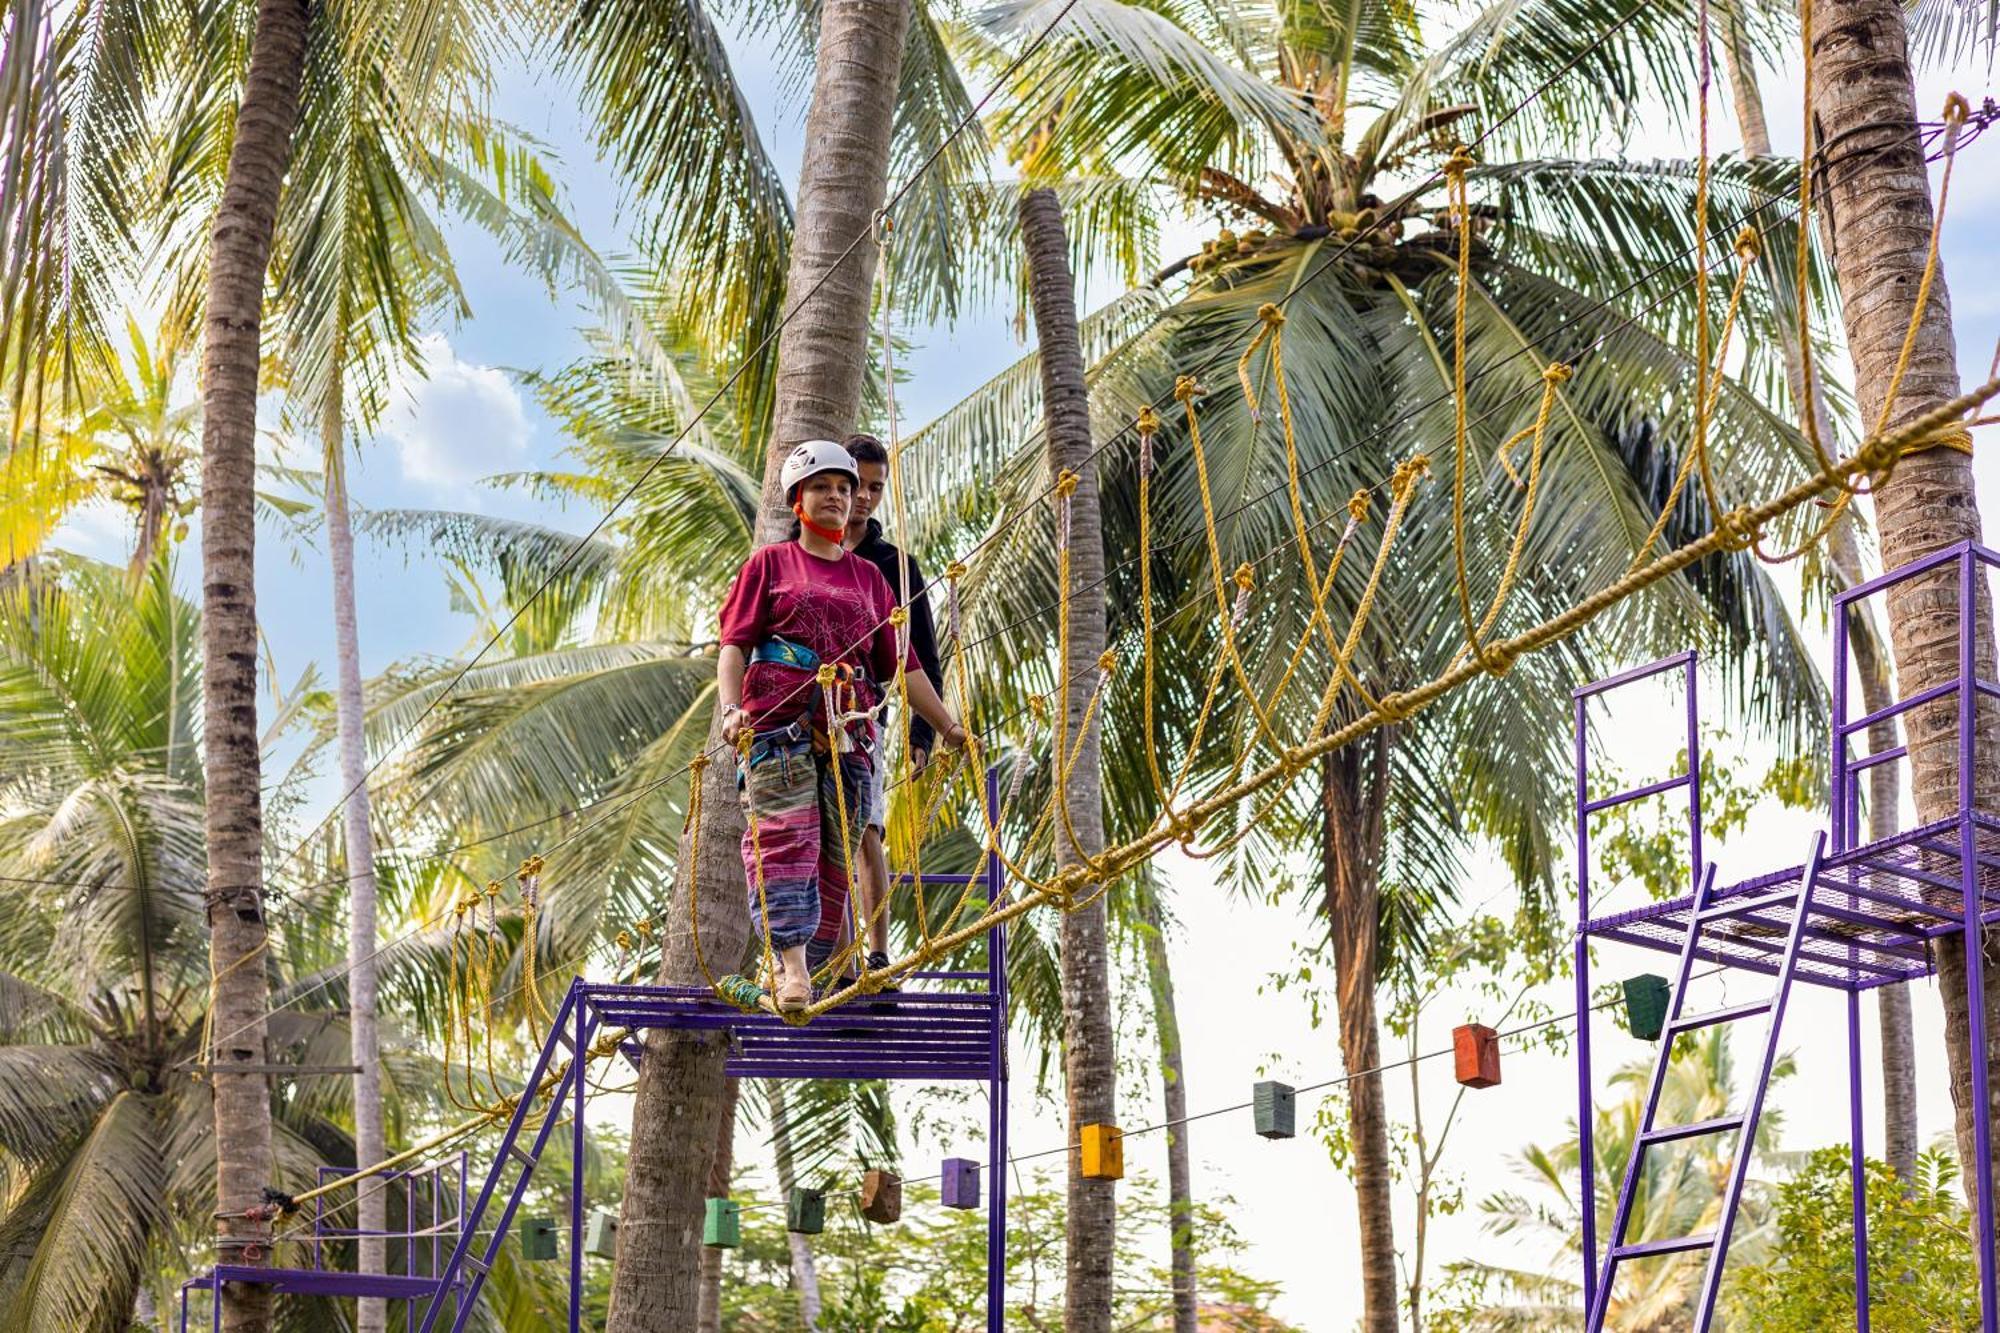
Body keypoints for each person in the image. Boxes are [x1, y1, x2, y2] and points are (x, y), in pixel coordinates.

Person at [716, 440, 967, 1012]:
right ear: (797, 500)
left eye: (844, 489)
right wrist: (733, 710)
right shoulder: (769, 565)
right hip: (776, 729)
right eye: (822, 487)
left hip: (848, 734)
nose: (836, 497)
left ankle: (825, 961)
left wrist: (945, 728)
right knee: (782, 840)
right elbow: (734, 647)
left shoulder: (872, 580)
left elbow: (904, 666)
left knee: (836, 852)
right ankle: (794, 971)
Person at [840, 433, 946, 988]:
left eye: (877, 488)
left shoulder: (895, 566)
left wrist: (924, 734)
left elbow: (920, 656)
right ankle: (822, 958)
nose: (865, 498)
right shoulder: (794, 549)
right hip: (796, 720)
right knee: (807, 838)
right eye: (858, 484)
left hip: (863, 718)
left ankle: (877, 956)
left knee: (866, 833)